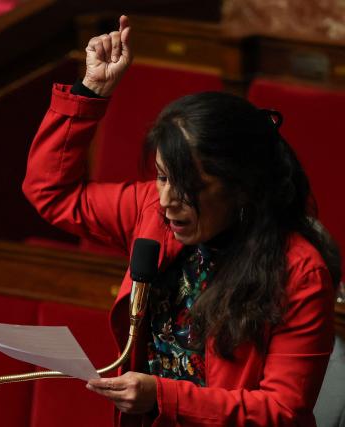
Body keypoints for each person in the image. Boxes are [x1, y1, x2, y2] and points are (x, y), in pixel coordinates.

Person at [22, 15, 340, 427]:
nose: (168, 200)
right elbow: (51, 192)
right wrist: (91, 91)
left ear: (241, 187)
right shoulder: (151, 210)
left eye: (189, 186)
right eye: (161, 176)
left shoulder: (300, 272)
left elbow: (282, 410)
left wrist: (164, 396)